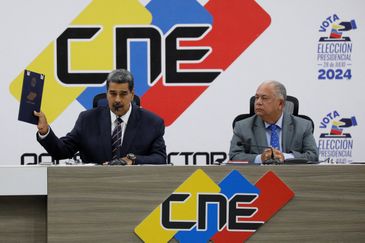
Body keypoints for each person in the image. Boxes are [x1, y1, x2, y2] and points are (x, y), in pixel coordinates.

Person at [34, 69, 167, 165]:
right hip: (94, 190)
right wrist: (45, 131)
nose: (117, 99)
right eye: (113, 93)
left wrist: (133, 160)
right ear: (107, 93)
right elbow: (62, 151)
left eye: (123, 94)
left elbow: (160, 158)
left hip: (134, 189)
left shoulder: (152, 123)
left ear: (132, 95)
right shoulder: (87, 120)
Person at [229, 80, 318, 164]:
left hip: (292, 176)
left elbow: (313, 155)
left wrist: (286, 157)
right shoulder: (242, 127)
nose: (258, 102)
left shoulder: (303, 126)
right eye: (257, 98)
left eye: (264, 98)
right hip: (257, 177)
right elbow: (234, 156)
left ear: (280, 104)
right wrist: (260, 158)